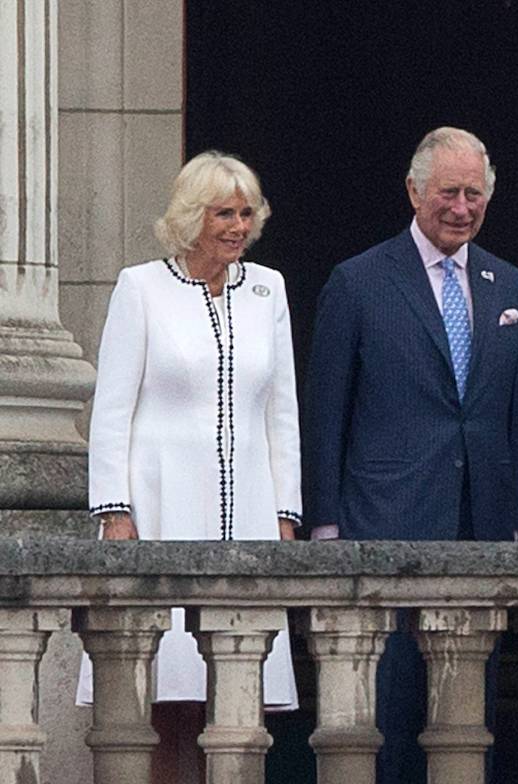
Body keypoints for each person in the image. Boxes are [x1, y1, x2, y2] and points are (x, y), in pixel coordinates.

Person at [302, 126, 518, 783]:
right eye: (449, 193)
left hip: (477, 526)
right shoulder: (359, 282)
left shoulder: (507, 283)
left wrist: (510, 524)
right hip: (385, 524)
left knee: (469, 711)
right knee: (392, 713)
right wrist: (326, 525)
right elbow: (327, 413)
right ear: (413, 191)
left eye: (475, 194)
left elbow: (512, 415)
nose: (462, 208)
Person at [84, 151, 300, 783]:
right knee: (162, 693)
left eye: (245, 212)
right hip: (161, 506)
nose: (237, 225)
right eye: (222, 213)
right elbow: (112, 408)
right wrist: (114, 510)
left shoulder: (268, 289)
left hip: (249, 513)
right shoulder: (141, 287)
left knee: (236, 698)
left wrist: (285, 515)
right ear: (190, 217)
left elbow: (280, 410)